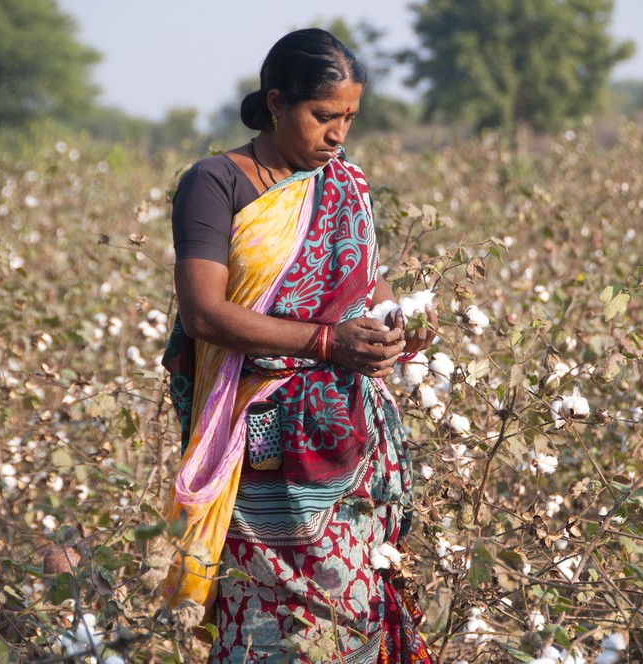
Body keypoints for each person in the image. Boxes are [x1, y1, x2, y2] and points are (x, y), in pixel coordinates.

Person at [160, 28, 436, 663]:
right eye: (323, 116)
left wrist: (401, 326)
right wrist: (326, 343)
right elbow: (203, 312)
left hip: (349, 442)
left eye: (349, 118)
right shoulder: (215, 182)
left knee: (354, 615)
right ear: (277, 102)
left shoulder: (344, 185)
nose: (338, 134)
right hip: (261, 441)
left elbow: (368, 290)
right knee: (269, 616)